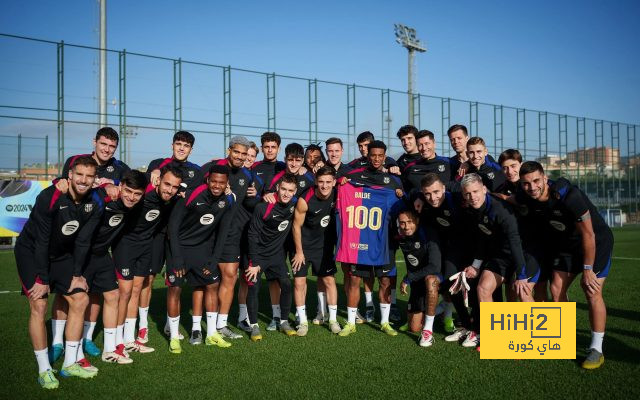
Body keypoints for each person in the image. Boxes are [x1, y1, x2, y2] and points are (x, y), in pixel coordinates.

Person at [15, 156, 103, 388]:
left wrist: (77, 274)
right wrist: (43, 279)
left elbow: (83, 241)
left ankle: (70, 363)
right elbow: (42, 240)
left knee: (80, 299)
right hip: (31, 251)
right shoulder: (50, 196)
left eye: (89, 176)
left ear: (95, 180)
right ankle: (44, 369)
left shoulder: (95, 202)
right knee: (40, 304)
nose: (84, 180)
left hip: (62, 255)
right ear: (70, 175)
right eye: (80, 174)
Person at [517, 161, 613, 369]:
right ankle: (564, 338)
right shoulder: (525, 195)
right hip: (568, 247)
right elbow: (508, 198)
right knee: (556, 288)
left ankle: (597, 349)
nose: (532, 187)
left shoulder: (570, 196)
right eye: (526, 183)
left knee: (590, 290)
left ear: (544, 178)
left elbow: (589, 234)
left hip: (596, 243)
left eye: (536, 181)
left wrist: (588, 269)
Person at [50, 127, 130, 361]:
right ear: (94, 142)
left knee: (95, 292)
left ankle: (87, 337)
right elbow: (63, 186)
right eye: (103, 144)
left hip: (99, 242)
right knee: (66, 292)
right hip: (73, 240)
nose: (107, 149)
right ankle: (57, 342)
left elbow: (130, 187)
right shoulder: (76, 161)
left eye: (112, 146)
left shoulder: (121, 169)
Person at [52, 171, 147, 366]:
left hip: (102, 255)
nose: (131, 197)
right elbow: (77, 189)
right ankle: (74, 353)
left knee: (113, 296)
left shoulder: (133, 205)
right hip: (80, 254)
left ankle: (110, 350)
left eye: (137, 194)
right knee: (78, 302)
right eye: (128, 191)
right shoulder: (102, 198)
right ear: (120, 187)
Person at [460, 173, 540, 350]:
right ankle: (494, 337)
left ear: (484, 189)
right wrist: (476, 265)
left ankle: (535, 339)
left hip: (524, 253)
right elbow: (482, 237)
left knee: (522, 290)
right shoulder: (472, 210)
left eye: (475, 191)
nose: (472, 197)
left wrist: (521, 275)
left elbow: (515, 243)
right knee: (483, 288)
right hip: (501, 256)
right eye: (467, 193)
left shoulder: (501, 211)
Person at [111, 166, 183, 354]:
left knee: (136, 289)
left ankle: (129, 339)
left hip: (146, 246)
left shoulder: (172, 199)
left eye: (174, 187)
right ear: (158, 181)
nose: (169, 190)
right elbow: (129, 178)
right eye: (167, 184)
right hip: (125, 244)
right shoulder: (142, 194)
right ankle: (116, 342)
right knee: (125, 292)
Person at [165, 164, 236, 353]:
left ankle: (211, 334)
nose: (216, 185)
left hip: (202, 249)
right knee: (175, 289)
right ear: (207, 180)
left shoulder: (228, 201)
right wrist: (177, 257)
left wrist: (214, 259)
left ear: (226, 183)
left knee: (212, 285)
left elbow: (223, 234)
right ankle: (174, 337)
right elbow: (172, 226)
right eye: (213, 181)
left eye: (221, 182)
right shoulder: (191, 194)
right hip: (178, 248)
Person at [338, 140, 404, 337]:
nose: (376, 159)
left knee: (385, 280)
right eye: (372, 155)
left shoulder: (392, 181)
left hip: (384, 240)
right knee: (354, 279)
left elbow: (403, 205)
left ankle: (384, 322)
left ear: (385, 156)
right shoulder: (355, 176)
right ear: (368, 155)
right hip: (361, 240)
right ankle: (350, 322)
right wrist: (341, 182)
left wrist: (401, 194)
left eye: (379, 156)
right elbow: (336, 179)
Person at [199, 136, 255, 340]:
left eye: (244, 154)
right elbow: (195, 189)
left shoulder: (247, 175)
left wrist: (257, 194)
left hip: (232, 234)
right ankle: (201, 325)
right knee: (208, 281)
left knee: (230, 276)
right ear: (229, 150)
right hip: (208, 232)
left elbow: (253, 197)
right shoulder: (211, 167)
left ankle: (221, 325)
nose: (240, 157)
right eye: (237, 152)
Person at [419, 173, 474, 343]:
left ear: (444, 188)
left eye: (436, 192)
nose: (432, 197)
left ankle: (478, 329)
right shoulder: (426, 207)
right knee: (452, 283)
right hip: (450, 251)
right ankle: (466, 325)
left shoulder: (458, 199)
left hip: (473, 249)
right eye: (427, 194)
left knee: (477, 289)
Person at [245, 173, 299, 341]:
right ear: (277, 188)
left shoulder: (294, 205)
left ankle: (283, 321)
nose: (286, 193)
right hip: (257, 255)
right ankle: (253, 326)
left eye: (290, 190)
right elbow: (252, 235)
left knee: (286, 285)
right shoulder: (264, 207)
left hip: (276, 255)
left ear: (295, 191)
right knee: (253, 287)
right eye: (283, 189)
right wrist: (254, 262)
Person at [291, 166, 341, 335]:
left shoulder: (338, 193)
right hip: (302, 246)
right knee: (299, 282)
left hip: (324, 246)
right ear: (315, 182)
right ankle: (303, 321)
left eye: (328, 182)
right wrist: (299, 251)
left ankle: (332, 319)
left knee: (329, 281)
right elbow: (296, 226)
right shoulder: (305, 199)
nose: (324, 186)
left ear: (334, 182)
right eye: (321, 182)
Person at [395, 209, 443, 346]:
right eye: (402, 223)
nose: (406, 226)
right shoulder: (400, 236)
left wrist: (408, 278)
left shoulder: (428, 234)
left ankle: (428, 330)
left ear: (416, 221)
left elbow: (434, 267)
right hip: (417, 281)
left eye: (409, 222)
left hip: (435, 278)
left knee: (431, 280)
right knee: (414, 327)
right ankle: (436, 310)